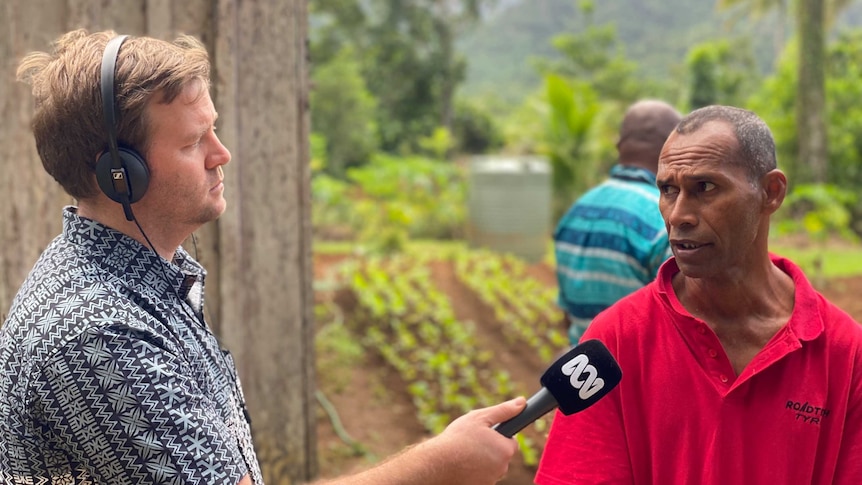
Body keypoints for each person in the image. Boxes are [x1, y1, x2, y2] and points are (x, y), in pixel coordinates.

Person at [0, 29, 526, 485]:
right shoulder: (98, 334)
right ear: (120, 175)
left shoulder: (140, 284)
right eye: (191, 142)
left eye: (213, 128)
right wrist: (438, 467)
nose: (220, 153)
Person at [535, 105, 862, 484]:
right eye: (668, 190)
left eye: (704, 188)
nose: (677, 215)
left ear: (771, 193)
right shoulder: (615, 340)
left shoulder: (844, 352)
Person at [553, 100, 682, 344]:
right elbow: (679, 327)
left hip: (582, 373)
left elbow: (568, 317)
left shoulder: (576, 212)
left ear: (619, 146)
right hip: (638, 377)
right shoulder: (668, 219)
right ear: (674, 148)